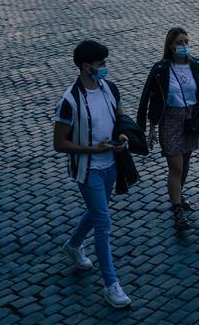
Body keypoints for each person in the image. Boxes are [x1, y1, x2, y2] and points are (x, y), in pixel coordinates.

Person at [53, 40, 132, 308]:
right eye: (101, 64)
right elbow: (59, 143)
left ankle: (73, 245)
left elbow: (119, 116)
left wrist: (122, 134)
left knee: (97, 212)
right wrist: (92, 149)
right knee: (103, 223)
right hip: (88, 170)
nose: (105, 69)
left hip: (111, 164)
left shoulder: (110, 88)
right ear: (86, 66)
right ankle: (111, 285)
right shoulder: (69, 101)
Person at [137, 28, 199, 232]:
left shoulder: (197, 67)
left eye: (186, 41)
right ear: (170, 46)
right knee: (175, 166)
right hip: (170, 120)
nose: (184, 46)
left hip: (191, 119)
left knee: (185, 161)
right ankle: (177, 210)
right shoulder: (160, 69)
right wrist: (150, 128)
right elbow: (148, 98)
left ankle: (179, 193)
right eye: (179, 43)